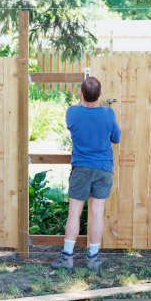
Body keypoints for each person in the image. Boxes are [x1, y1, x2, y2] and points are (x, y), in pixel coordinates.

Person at [51, 77, 120, 272]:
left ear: (81, 93)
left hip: (81, 169)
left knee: (74, 213)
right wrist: (106, 112)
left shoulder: (72, 113)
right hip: (103, 169)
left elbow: (81, 117)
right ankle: (93, 259)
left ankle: (67, 258)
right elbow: (116, 138)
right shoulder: (108, 114)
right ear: (100, 95)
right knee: (97, 214)